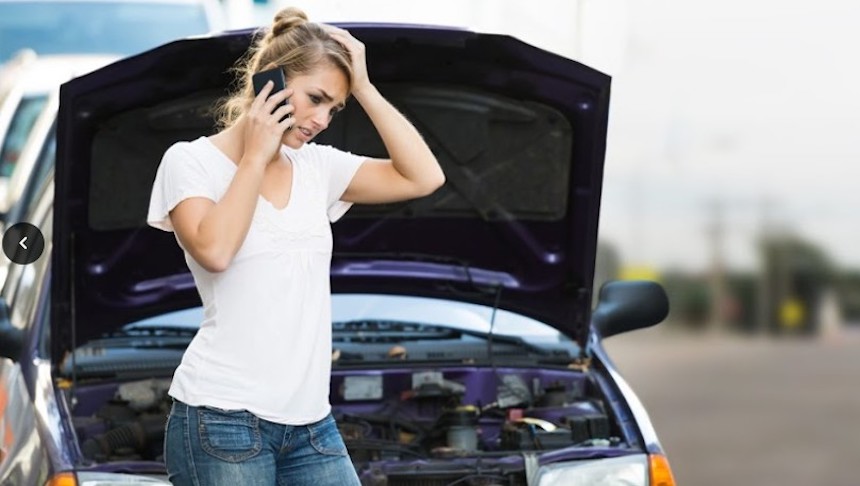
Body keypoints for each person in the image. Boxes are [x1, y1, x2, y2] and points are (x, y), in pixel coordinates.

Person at [146, 6, 445, 485]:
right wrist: (257, 154)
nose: (324, 119)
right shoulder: (189, 163)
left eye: (335, 108)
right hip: (221, 420)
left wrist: (364, 87)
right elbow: (216, 250)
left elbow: (424, 177)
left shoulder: (318, 169)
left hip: (311, 425)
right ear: (270, 81)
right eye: (316, 99)